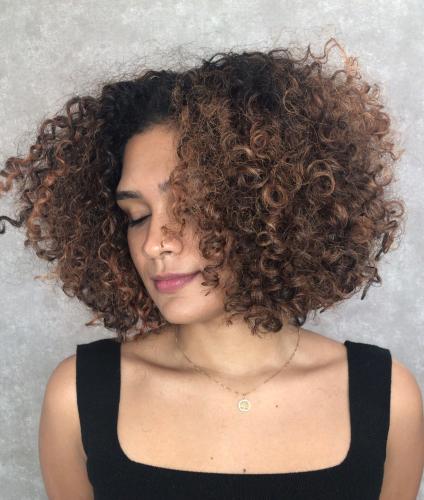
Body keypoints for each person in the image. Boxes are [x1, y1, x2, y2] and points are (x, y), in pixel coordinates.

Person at [1, 37, 423, 499]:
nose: (155, 243)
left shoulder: (387, 399)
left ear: (269, 206)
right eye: (136, 216)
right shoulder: (79, 398)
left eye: (190, 208)